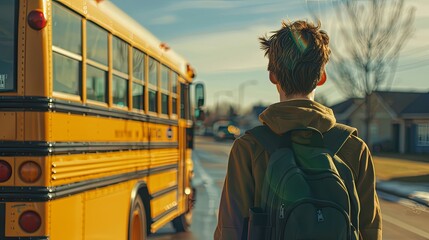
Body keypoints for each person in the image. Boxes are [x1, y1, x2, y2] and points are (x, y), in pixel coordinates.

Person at [213, 20, 382, 240]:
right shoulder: (354, 148)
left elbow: (230, 231)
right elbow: (370, 230)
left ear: (273, 76)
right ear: (321, 78)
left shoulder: (249, 147)